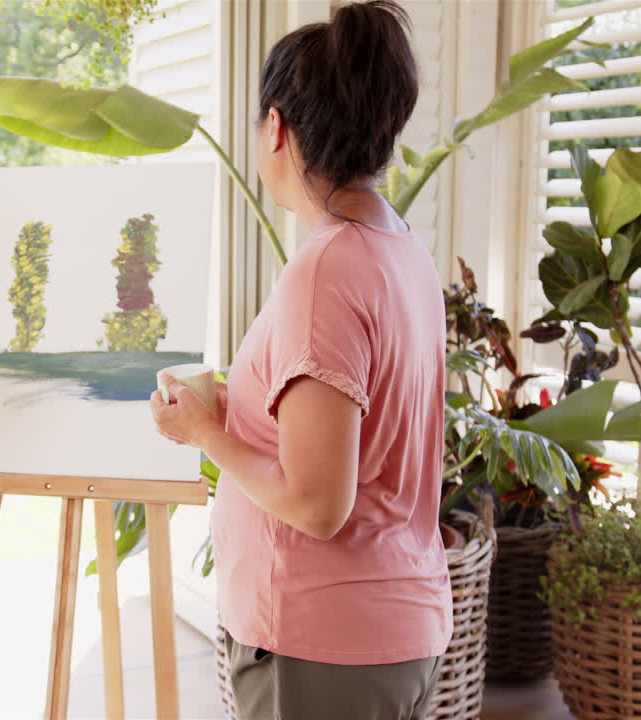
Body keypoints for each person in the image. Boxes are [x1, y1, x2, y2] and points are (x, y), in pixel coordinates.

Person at [150, 2, 451, 717]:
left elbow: (318, 505)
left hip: (322, 643)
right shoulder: (401, 249)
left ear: (277, 128)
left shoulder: (324, 272)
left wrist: (204, 434)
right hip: (392, 629)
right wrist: (244, 406)